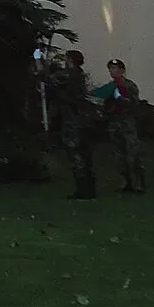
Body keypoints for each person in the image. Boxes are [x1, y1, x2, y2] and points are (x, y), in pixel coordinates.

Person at [45, 47, 95, 199]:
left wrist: (38, 63)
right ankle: (89, 189)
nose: (65, 62)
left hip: (73, 121)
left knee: (76, 155)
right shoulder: (78, 75)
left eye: (67, 59)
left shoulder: (70, 74)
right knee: (84, 156)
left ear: (71, 61)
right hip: (80, 120)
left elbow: (47, 78)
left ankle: (83, 191)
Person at [93, 59, 146, 195]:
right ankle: (125, 183)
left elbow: (134, 103)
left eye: (115, 68)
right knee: (119, 156)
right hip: (114, 123)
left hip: (127, 124)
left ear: (122, 70)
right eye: (110, 68)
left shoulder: (129, 86)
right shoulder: (110, 86)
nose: (112, 71)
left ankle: (138, 184)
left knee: (133, 154)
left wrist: (120, 98)